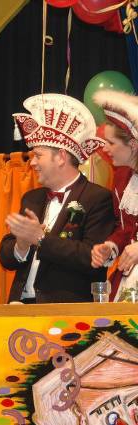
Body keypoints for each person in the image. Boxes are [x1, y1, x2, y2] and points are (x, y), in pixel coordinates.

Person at [0, 93, 115, 303]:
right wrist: (21, 245)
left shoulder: (97, 198)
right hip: (20, 306)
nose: (32, 163)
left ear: (61, 157)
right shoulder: (31, 198)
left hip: (65, 310)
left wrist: (41, 239)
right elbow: (6, 257)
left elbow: (91, 258)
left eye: (38, 155)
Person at [90, 90, 138, 301]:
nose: (105, 148)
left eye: (111, 143)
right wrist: (110, 247)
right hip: (131, 275)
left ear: (133, 145)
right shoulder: (122, 178)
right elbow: (126, 229)